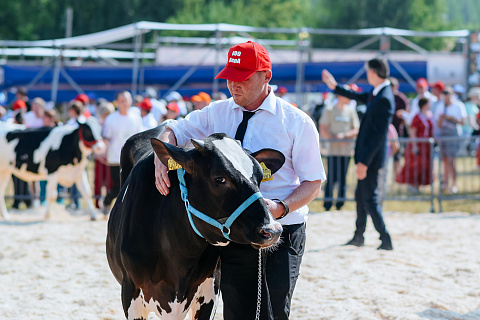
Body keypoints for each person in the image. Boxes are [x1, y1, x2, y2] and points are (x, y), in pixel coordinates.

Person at [154, 41, 325, 320]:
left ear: (266, 76)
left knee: (273, 313)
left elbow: (312, 183)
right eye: (230, 77)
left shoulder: (297, 122)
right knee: (237, 313)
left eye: (243, 78)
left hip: (282, 228)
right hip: (235, 230)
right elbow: (175, 128)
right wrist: (160, 157)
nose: (234, 85)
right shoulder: (217, 111)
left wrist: (280, 208)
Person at [322, 57, 395, 250]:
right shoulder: (378, 93)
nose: (367, 74)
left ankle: (385, 239)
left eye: (368, 71)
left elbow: (379, 137)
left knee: (369, 198)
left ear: (374, 71)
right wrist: (335, 86)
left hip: (370, 158)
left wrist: (364, 162)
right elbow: (359, 97)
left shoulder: (385, 98)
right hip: (366, 156)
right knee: (361, 196)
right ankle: (359, 236)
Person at [319, 84, 360, 211]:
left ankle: (340, 203)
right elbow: (323, 126)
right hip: (332, 150)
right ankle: (327, 203)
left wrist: (344, 136)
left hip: (346, 151)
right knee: (331, 176)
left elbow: (357, 129)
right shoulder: (329, 109)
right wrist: (333, 138)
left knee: (343, 177)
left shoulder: (350, 111)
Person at [102, 91, 143, 215]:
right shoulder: (111, 119)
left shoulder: (136, 117)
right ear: (117, 103)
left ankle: (126, 211)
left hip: (132, 158)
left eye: (127, 100)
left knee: (132, 185)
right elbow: (106, 138)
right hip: (115, 157)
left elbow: (140, 137)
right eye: (122, 101)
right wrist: (102, 152)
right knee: (118, 187)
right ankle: (107, 202)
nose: (125, 103)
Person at [396, 98, 434, 193]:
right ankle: (412, 185)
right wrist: (414, 146)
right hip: (418, 145)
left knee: (424, 166)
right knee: (414, 165)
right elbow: (412, 131)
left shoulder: (428, 115)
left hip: (426, 146)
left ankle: (419, 185)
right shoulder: (417, 117)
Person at [437, 87, 466, 194]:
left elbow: (463, 122)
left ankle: (454, 184)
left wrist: (450, 118)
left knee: (451, 160)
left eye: (448, 93)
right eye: (444, 93)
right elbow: (438, 124)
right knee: (444, 161)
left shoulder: (458, 105)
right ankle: (445, 183)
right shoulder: (441, 106)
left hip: (453, 135)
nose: (446, 96)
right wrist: (441, 118)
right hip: (443, 135)